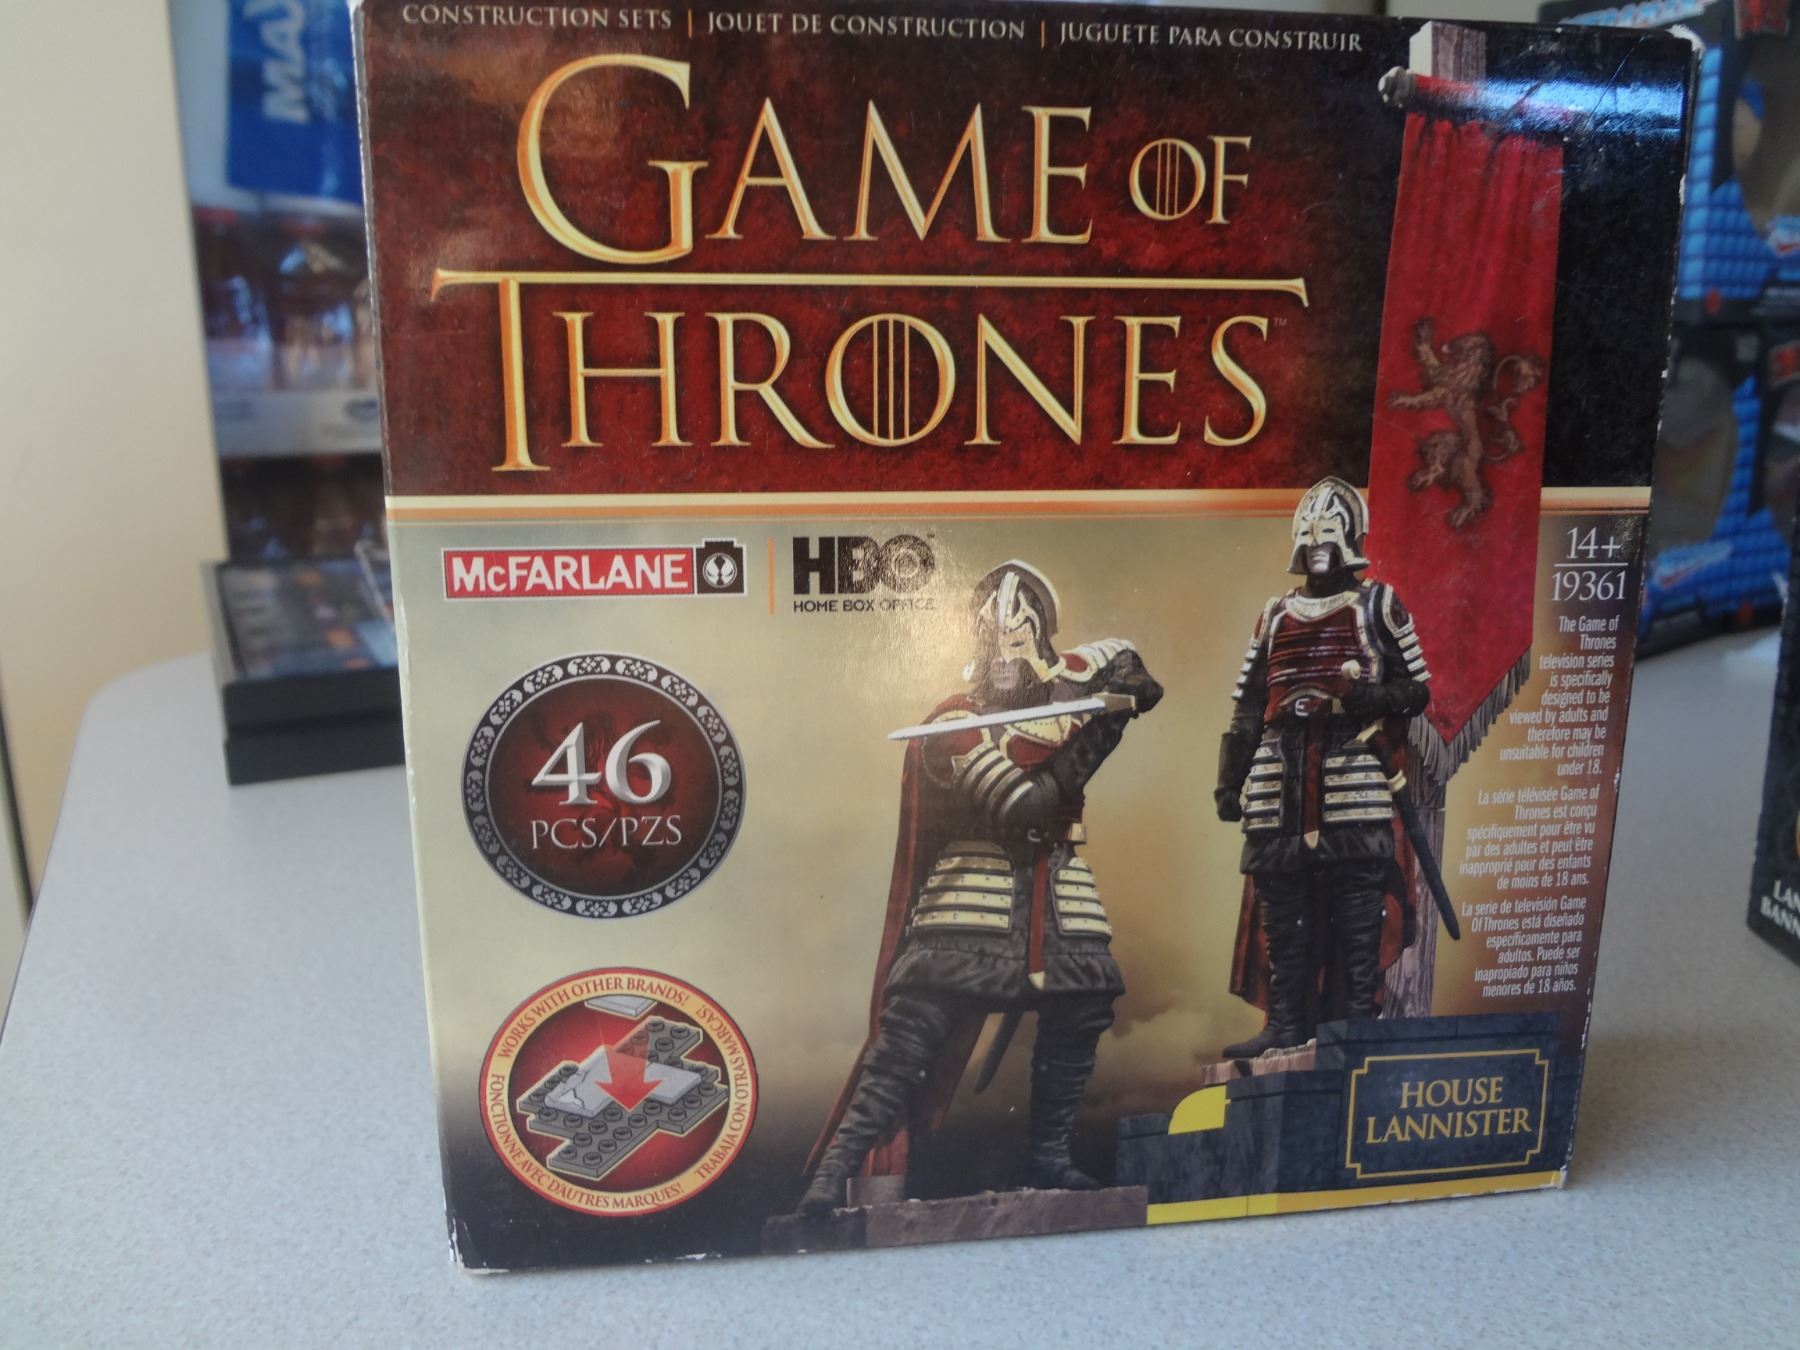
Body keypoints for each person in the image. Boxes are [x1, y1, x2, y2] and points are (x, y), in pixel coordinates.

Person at [799, 560, 1161, 1215]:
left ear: (1041, 635)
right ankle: (834, 1172)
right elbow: (1023, 807)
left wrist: (1131, 684)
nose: (1007, 647)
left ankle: (1049, 1157)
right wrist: (1106, 729)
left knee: (1083, 1004)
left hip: (1059, 885)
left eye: (1020, 632)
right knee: (907, 1040)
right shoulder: (956, 721)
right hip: (972, 889)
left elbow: (1123, 660)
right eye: (995, 635)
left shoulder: (1068, 694)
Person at [1215, 477, 1429, 1059]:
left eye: (1328, 531)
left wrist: (1367, 699)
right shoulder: (1274, 614)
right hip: (1278, 772)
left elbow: (1416, 689)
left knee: (1356, 910)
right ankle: (1286, 1023)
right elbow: (1248, 703)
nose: (1316, 543)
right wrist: (1229, 779)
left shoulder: (1378, 604)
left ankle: (1353, 1022)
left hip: (1350, 766)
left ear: (1350, 537)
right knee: (1282, 911)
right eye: (1308, 532)